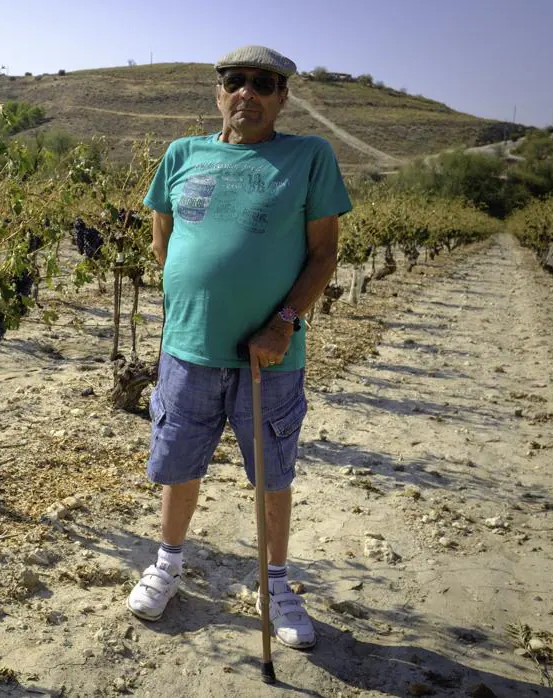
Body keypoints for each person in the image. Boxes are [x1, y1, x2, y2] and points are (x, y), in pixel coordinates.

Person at [126, 45, 352, 650]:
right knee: (179, 464)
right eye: (236, 81)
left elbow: (325, 254)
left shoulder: (308, 157)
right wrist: (196, 304)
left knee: (272, 475)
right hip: (187, 351)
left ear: (282, 97)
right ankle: (168, 563)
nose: (247, 91)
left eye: (264, 83)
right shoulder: (182, 155)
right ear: (219, 91)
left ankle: (274, 584)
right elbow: (165, 244)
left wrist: (282, 323)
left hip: (269, 356)